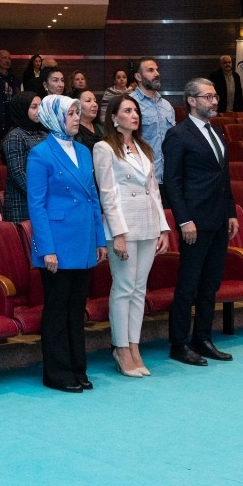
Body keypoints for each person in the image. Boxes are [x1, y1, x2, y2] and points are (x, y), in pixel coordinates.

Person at [26, 94, 107, 393]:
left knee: (76, 309)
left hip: (84, 238)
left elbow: (93, 198)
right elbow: (36, 206)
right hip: (57, 242)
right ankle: (57, 372)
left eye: (77, 112)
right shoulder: (40, 154)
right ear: (54, 118)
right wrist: (46, 248)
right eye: (70, 113)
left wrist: (99, 238)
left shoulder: (84, 150)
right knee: (58, 309)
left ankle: (77, 368)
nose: (77, 117)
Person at [162, 78, 239, 367]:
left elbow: (224, 177)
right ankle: (179, 343)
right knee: (188, 284)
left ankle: (203, 338)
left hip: (218, 219)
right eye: (208, 97)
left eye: (215, 96)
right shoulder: (178, 134)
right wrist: (184, 220)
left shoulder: (216, 131)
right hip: (194, 221)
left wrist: (231, 212)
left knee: (210, 284)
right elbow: (172, 181)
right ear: (191, 101)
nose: (214, 101)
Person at [93, 92, 169, 378]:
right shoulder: (104, 147)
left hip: (148, 224)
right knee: (124, 287)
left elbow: (155, 192)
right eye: (127, 111)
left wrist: (163, 227)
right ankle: (121, 348)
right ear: (114, 117)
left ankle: (135, 346)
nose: (134, 115)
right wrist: (118, 233)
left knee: (139, 289)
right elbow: (108, 194)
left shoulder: (144, 148)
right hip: (123, 227)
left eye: (136, 110)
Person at [131, 58, 177, 192]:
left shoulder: (167, 106)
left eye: (157, 70)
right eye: (150, 70)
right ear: (138, 76)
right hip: (142, 180)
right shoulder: (130, 104)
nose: (157, 74)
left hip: (169, 179)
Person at [0, 92, 46, 222]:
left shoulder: (44, 134)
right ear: (22, 109)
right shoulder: (15, 136)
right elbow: (18, 173)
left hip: (43, 198)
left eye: (41, 106)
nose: (39, 111)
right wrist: (40, 195)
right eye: (34, 107)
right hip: (21, 202)